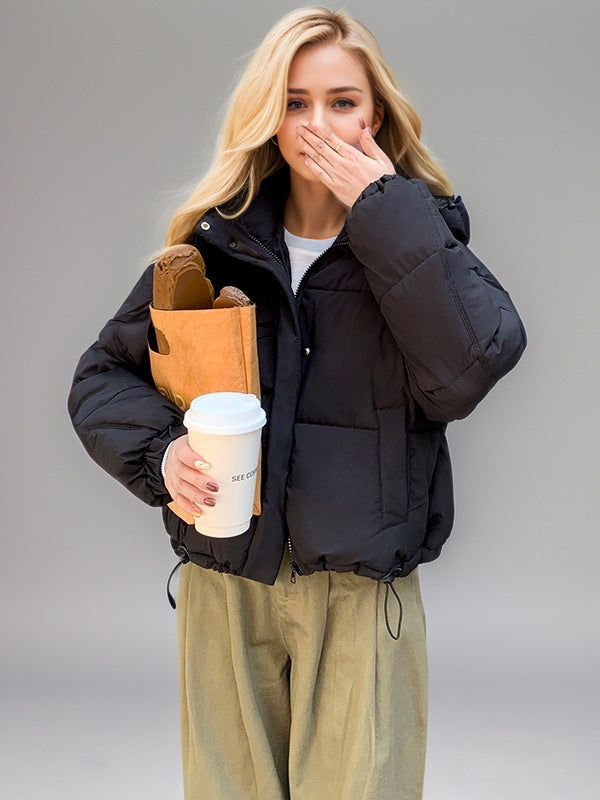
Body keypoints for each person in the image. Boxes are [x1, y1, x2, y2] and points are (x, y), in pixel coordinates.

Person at [68, 6, 527, 799]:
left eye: (342, 102)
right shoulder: (217, 246)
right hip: (224, 587)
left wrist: (383, 207)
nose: (318, 124)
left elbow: (467, 368)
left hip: (359, 598)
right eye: (295, 102)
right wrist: (164, 455)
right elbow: (102, 377)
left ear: (375, 116)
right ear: (269, 119)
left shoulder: (419, 238)